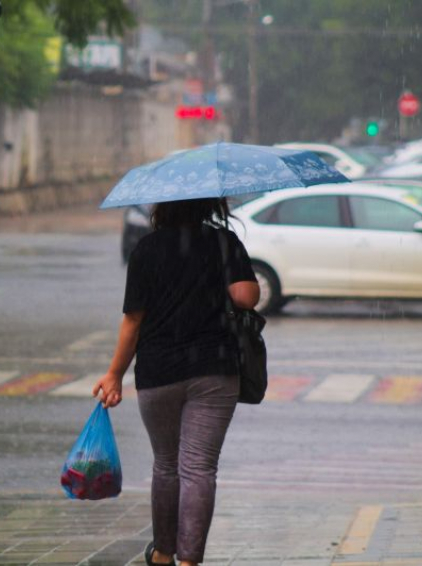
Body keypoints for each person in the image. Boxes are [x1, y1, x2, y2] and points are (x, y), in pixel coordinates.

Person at [93, 197, 259, 566]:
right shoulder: (224, 242)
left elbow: (133, 320)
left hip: (158, 371)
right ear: (208, 205)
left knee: (166, 465)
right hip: (214, 368)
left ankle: (164, 553)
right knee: (199, 467)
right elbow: (245, 297)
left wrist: (114, 375)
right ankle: (189, 561)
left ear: (162, 208)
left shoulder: (146, 249)